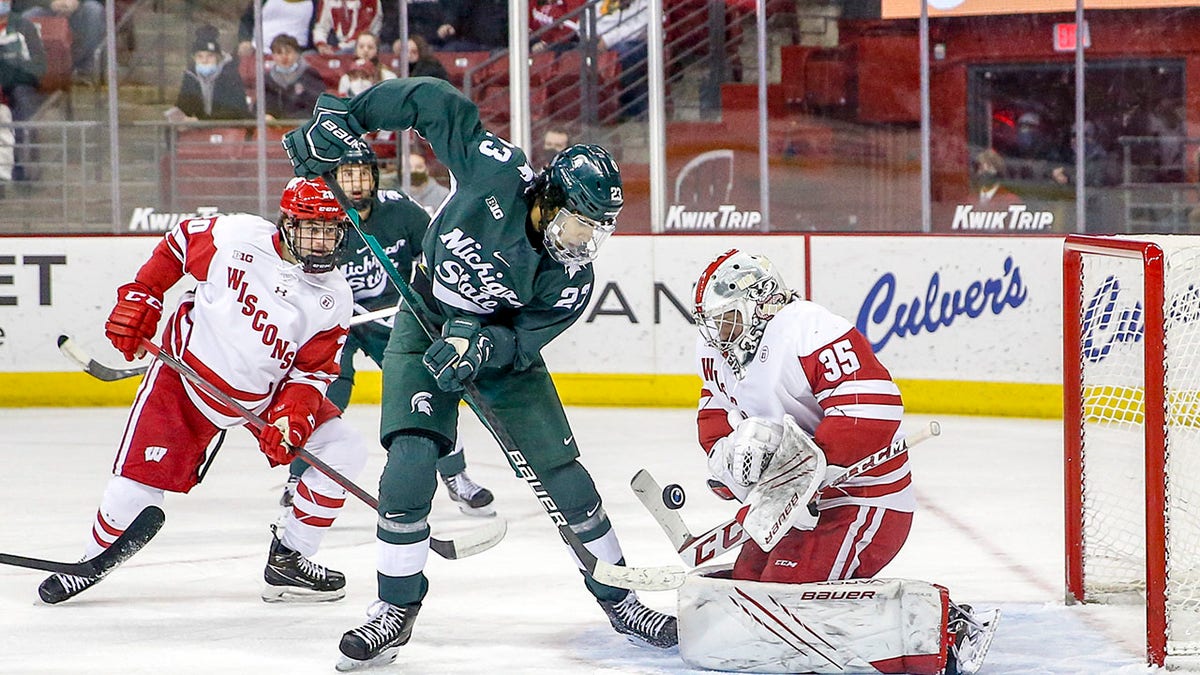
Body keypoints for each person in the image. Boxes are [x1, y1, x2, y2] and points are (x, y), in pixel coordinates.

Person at [282, 78, 678, 669]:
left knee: (562, 473)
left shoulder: (569, 280)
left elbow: (522, 342)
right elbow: (432, 104)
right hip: (426, 322)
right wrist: (349, 117)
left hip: (495, 356)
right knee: (411, 461)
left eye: (596, 233)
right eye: (577, 226)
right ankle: (395, 607)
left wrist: (480, 345)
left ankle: (620, 599)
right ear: (548, 199)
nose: (583, 244)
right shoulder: (496, 174)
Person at [37, 177, 369, 606]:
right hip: (185, 378)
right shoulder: (237, 237)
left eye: (331, 231)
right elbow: (177, 245)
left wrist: (293, 415)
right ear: (286, 223)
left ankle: (289, 560)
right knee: (135, 488)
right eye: (311, 229)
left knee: (344, 449)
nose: (322, 242)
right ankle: (89, 561)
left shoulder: (334, 296)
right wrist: (144, 294)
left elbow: (311, 372)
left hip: (262, 397)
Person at [688, 248, 997, 673]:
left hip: (863, 500)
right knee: (747, 593)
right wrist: (733, 465)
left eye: (728, 318)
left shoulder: (809, 329)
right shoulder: (720, 355)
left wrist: (808, 471)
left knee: (782, 601)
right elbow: (715, 418)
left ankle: (943, 627)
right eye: (713, 323)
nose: (719, 333)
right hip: (791, 508)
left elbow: (871, 409)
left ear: (759, 302)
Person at [279, 145, 496, 518]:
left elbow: (437, 251)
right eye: (347, 174)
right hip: (331, 322)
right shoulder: (319, 215)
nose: (357, 183)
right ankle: (297, 477)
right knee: (325, 392)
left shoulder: (399, 210)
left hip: (391, 317)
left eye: (363, 173)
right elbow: (285, 262)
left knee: (426, 386)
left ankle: (455, 475)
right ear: (332, 178)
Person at [0, 1, 45, 183]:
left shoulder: (24, 27)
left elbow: (38, 67)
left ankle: (23, 167)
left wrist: (9, 75)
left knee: (22, 100)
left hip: (17, 86)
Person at [175, 25, 251, 121]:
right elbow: (183, 107)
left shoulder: (230, 76)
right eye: (200, 56)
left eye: (210, 56)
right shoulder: (190, 77)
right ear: (194, 58)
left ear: (218, 58)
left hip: (228, 130)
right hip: (198, 131)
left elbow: (236, 111)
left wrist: (202, 121)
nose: (205, 60)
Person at [19, 0, 104, 79]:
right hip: (45, 7)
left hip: (80, 8)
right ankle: (37, 74)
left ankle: (85, 72)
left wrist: (77, 2)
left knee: (94, 10)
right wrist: (50, 3)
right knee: (27, 17)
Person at [595, 0, 649, 120]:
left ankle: (633, 106)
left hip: (637, 43)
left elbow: (637, 29)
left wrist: (607, 40)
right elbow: (585, 19)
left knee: (623, 52)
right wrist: (591, 36)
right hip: (601, 42)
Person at [263, 33, 325, 120]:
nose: (284, 57)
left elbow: (316, 105)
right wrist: (267, 115)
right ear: (273, 56)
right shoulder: (268, 78)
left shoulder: (309, 74)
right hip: (275, 127)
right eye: (279, 53)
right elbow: (262, 105)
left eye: (288, 52)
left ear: (297, 54)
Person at [237, 0, 318, 56]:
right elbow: (247, 19)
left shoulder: (316, 2)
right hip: (260, 54)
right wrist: (245, 40)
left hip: (299, 55)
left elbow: (319, 27)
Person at [336, 32, 396, 98]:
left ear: (377, 51)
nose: (365, 50)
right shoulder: (346, 78)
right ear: (356, 50)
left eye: (370, 47)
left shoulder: (388, 76)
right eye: (361, 47)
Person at [313, 0, 381, 55]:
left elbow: (360, 33)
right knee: (307, 57)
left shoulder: (371, 1)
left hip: (363, 46)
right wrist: (321, 44)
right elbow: (321, 27)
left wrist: (335, 49)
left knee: (341, 54)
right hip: (337, 45)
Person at [437, 0, 508, 52]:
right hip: (473, 43)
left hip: (501, 47)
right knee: (450, 50)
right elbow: (460, 11)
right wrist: (450, 24)